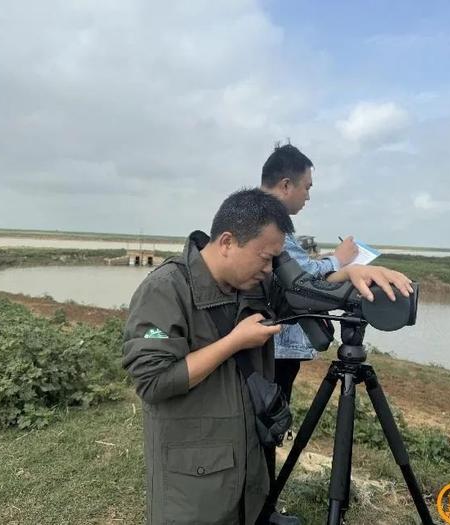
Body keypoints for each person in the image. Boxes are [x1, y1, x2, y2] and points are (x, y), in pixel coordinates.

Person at [123, 188, 413, 525]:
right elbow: (153, 381)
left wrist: (350, 277)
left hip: (246, 467)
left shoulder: (255, 285)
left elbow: (303, 298)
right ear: (227, 242)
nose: (269, 268)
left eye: (275, 259)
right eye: (265, 257)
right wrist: (234, 342)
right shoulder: (164, 289)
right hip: (193, 484)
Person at [260, 143, 360, 405]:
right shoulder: (269, 221)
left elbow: (293, 265)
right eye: (307, 187)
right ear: (285, 185)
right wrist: (339, 259)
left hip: (273, 343)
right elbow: (300, 276)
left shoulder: (259, 215)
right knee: (271, 417)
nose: (308, 197)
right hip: (276, 345)